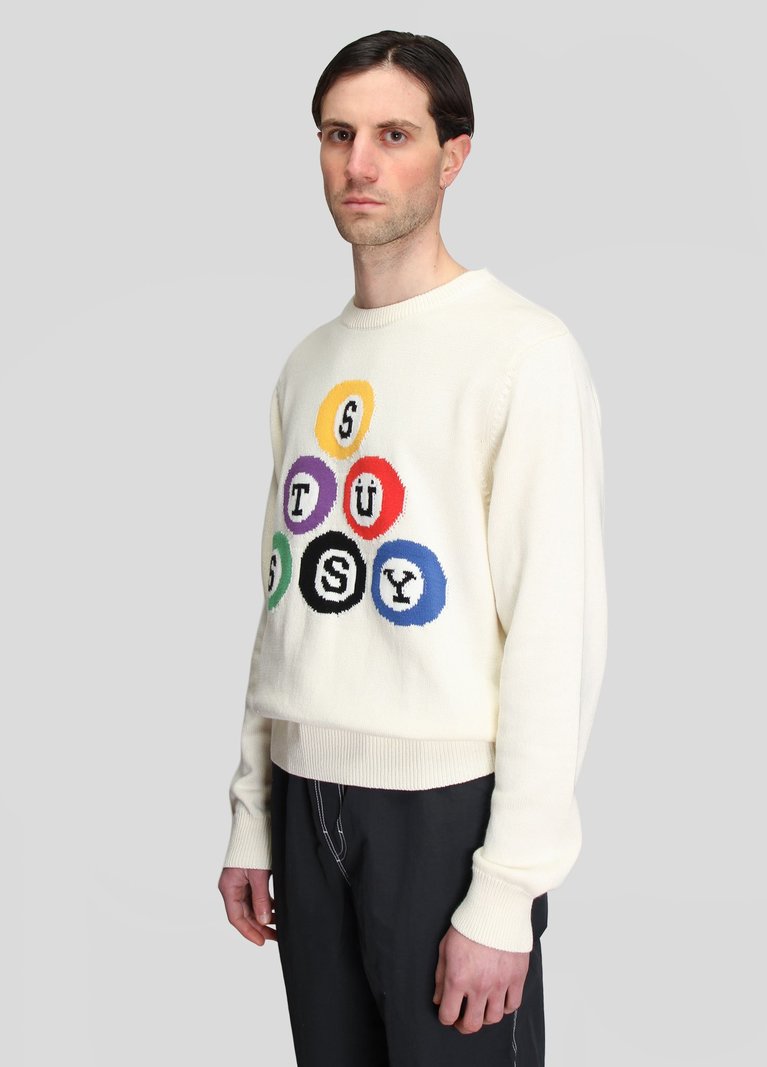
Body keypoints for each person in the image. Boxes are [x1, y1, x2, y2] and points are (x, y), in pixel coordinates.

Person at [217, 28, 607, 1067]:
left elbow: (554, 633)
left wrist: (506, 889)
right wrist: (253, 815)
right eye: (337, 134)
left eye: (394, 134)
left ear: (453, 154)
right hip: (304, 799)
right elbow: (283, 599)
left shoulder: (522, 352)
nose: (360, 163)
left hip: (442, 815)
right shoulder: (308, 364)